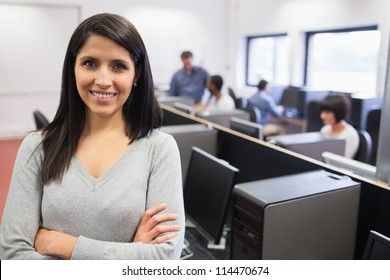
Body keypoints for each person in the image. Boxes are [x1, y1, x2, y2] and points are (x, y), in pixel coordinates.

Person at [0, 13, 185, 260]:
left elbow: (165, 258)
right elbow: (12, 255)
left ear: (136, 74)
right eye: (90, 63)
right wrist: (131, 253)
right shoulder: (37, 147)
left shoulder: (160, 149)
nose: (103, 80)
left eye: (119, 66)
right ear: (73, 68)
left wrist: (66, 246)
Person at [319, 94, 359, 159]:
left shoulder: (350, 134)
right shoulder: (324, 130)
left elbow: (344, 161)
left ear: (339, 112)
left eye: (327, 112)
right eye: (322, 112)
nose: (322, 116)